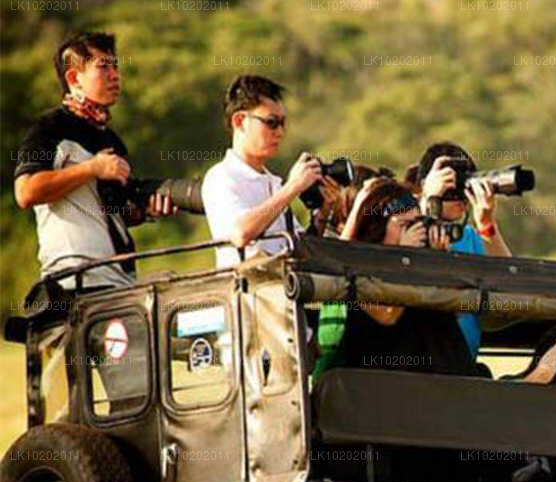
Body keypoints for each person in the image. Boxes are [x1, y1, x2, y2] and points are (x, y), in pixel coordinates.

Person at [14, 31, 177, 291]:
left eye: (116, 66)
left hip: (120, 283)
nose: (115, 75)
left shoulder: (110, 139)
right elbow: (26, 192)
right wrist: (93, 168)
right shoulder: (50, 129)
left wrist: (145, 211)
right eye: (103, 67)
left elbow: (114, 213)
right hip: (75, 283)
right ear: (73, 78)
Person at [312, 179, 475, 379]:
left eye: (417, 224)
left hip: (440, 385)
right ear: (377, 227)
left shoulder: (419, 267)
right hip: (382, 386)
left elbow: (458, 311)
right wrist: (403, 257)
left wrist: (437, 261)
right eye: (405, 225)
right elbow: (387, 314)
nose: (414, 233)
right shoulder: (360, 269)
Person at [201, 75, 338, 267]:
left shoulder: (274, 183)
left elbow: (300, 249)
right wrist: (293, 188)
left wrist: (323, 214)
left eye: (282, 123)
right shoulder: (221, 177)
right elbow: (241, 234)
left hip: (283, 290)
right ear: (239, 121)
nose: (280, 132)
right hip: (247, 291)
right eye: (271, 123)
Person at [415, 142, 513, 360]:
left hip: (463, 367)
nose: (461, 195)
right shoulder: (405, 225)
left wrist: (487, 224)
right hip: (419, 367)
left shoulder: (468, 236)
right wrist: (429, 199)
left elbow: (509, 280)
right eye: (453, 185)